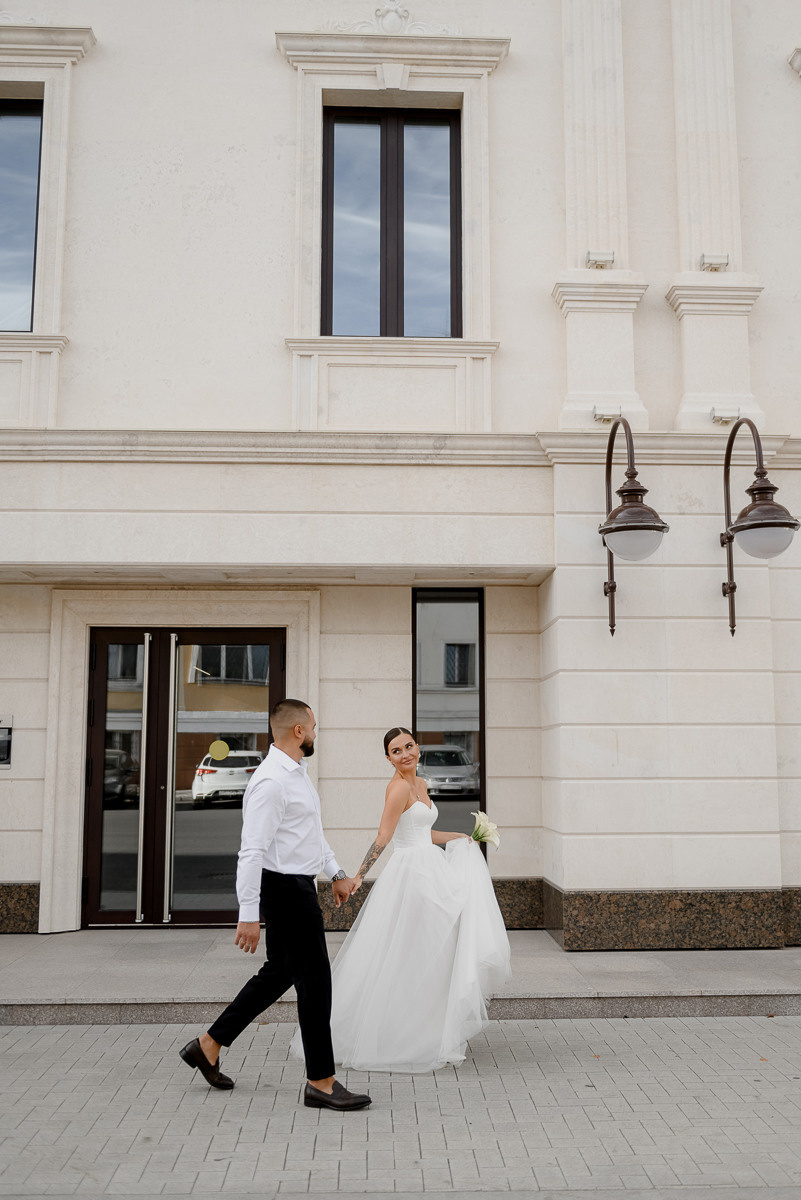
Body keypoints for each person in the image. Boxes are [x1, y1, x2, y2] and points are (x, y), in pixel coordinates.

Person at [180, 698, 371, 1112]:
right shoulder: (270, 781)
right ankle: (321, 1082)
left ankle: (208, 1045)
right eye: (314, 727)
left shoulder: (296, 774)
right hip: (284, 890)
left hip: (298, 884)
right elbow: (251, 851)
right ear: (298, 731)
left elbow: (308, 834)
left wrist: (335, 873)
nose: (317, 733)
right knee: (316, 982)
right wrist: (248, 913)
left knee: (278, 973)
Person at [291, 726, 511, 1073]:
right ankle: (396, 1033)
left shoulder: (420, 785)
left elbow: (422, 832)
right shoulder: (396, 788)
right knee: (414, 951)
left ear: (418, 747)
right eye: (396, 750)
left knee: (432, 953)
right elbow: (386, 836)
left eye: (409, 746)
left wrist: (457, 836)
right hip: (411, 876)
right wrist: (358, 875)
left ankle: (427, 1028)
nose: (405, 753)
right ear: (388, 758)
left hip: (430, 868)